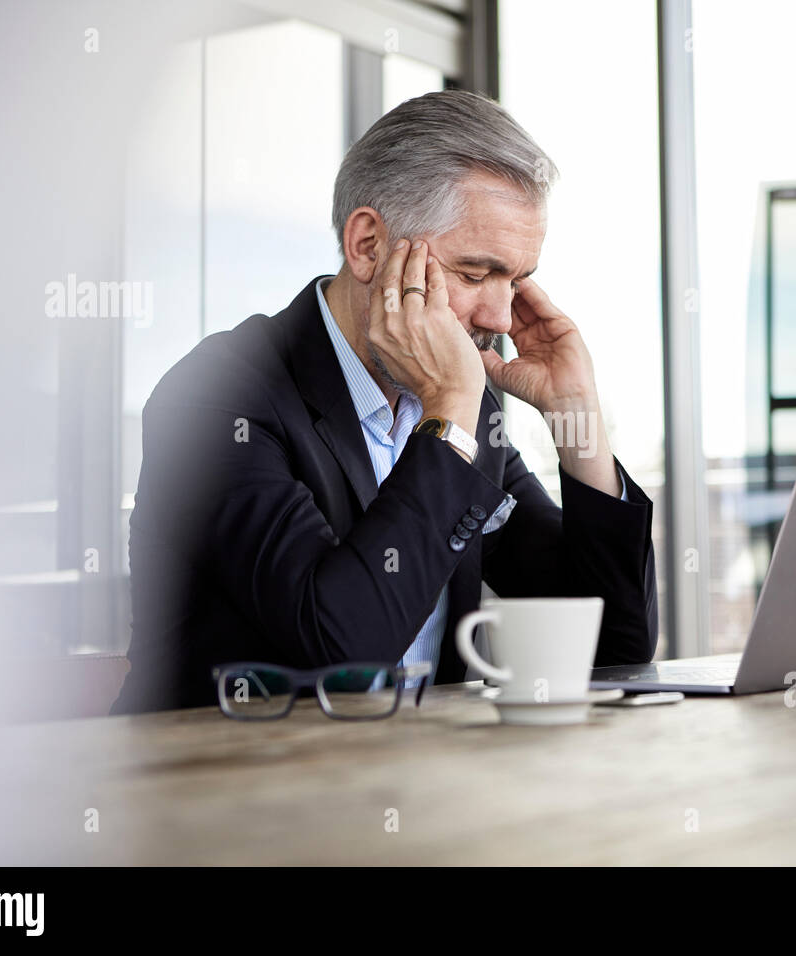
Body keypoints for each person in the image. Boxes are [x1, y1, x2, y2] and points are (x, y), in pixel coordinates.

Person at [111, 90, 657, 714]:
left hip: (413, 789)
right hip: (226, 791)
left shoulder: (469, 412)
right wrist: (449, 414)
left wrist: (577, 418)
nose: (501, 317)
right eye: (475, 275)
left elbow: (616, 648)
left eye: (517, 280)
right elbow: (340, 650)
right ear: (368, 245)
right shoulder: (218, 397)